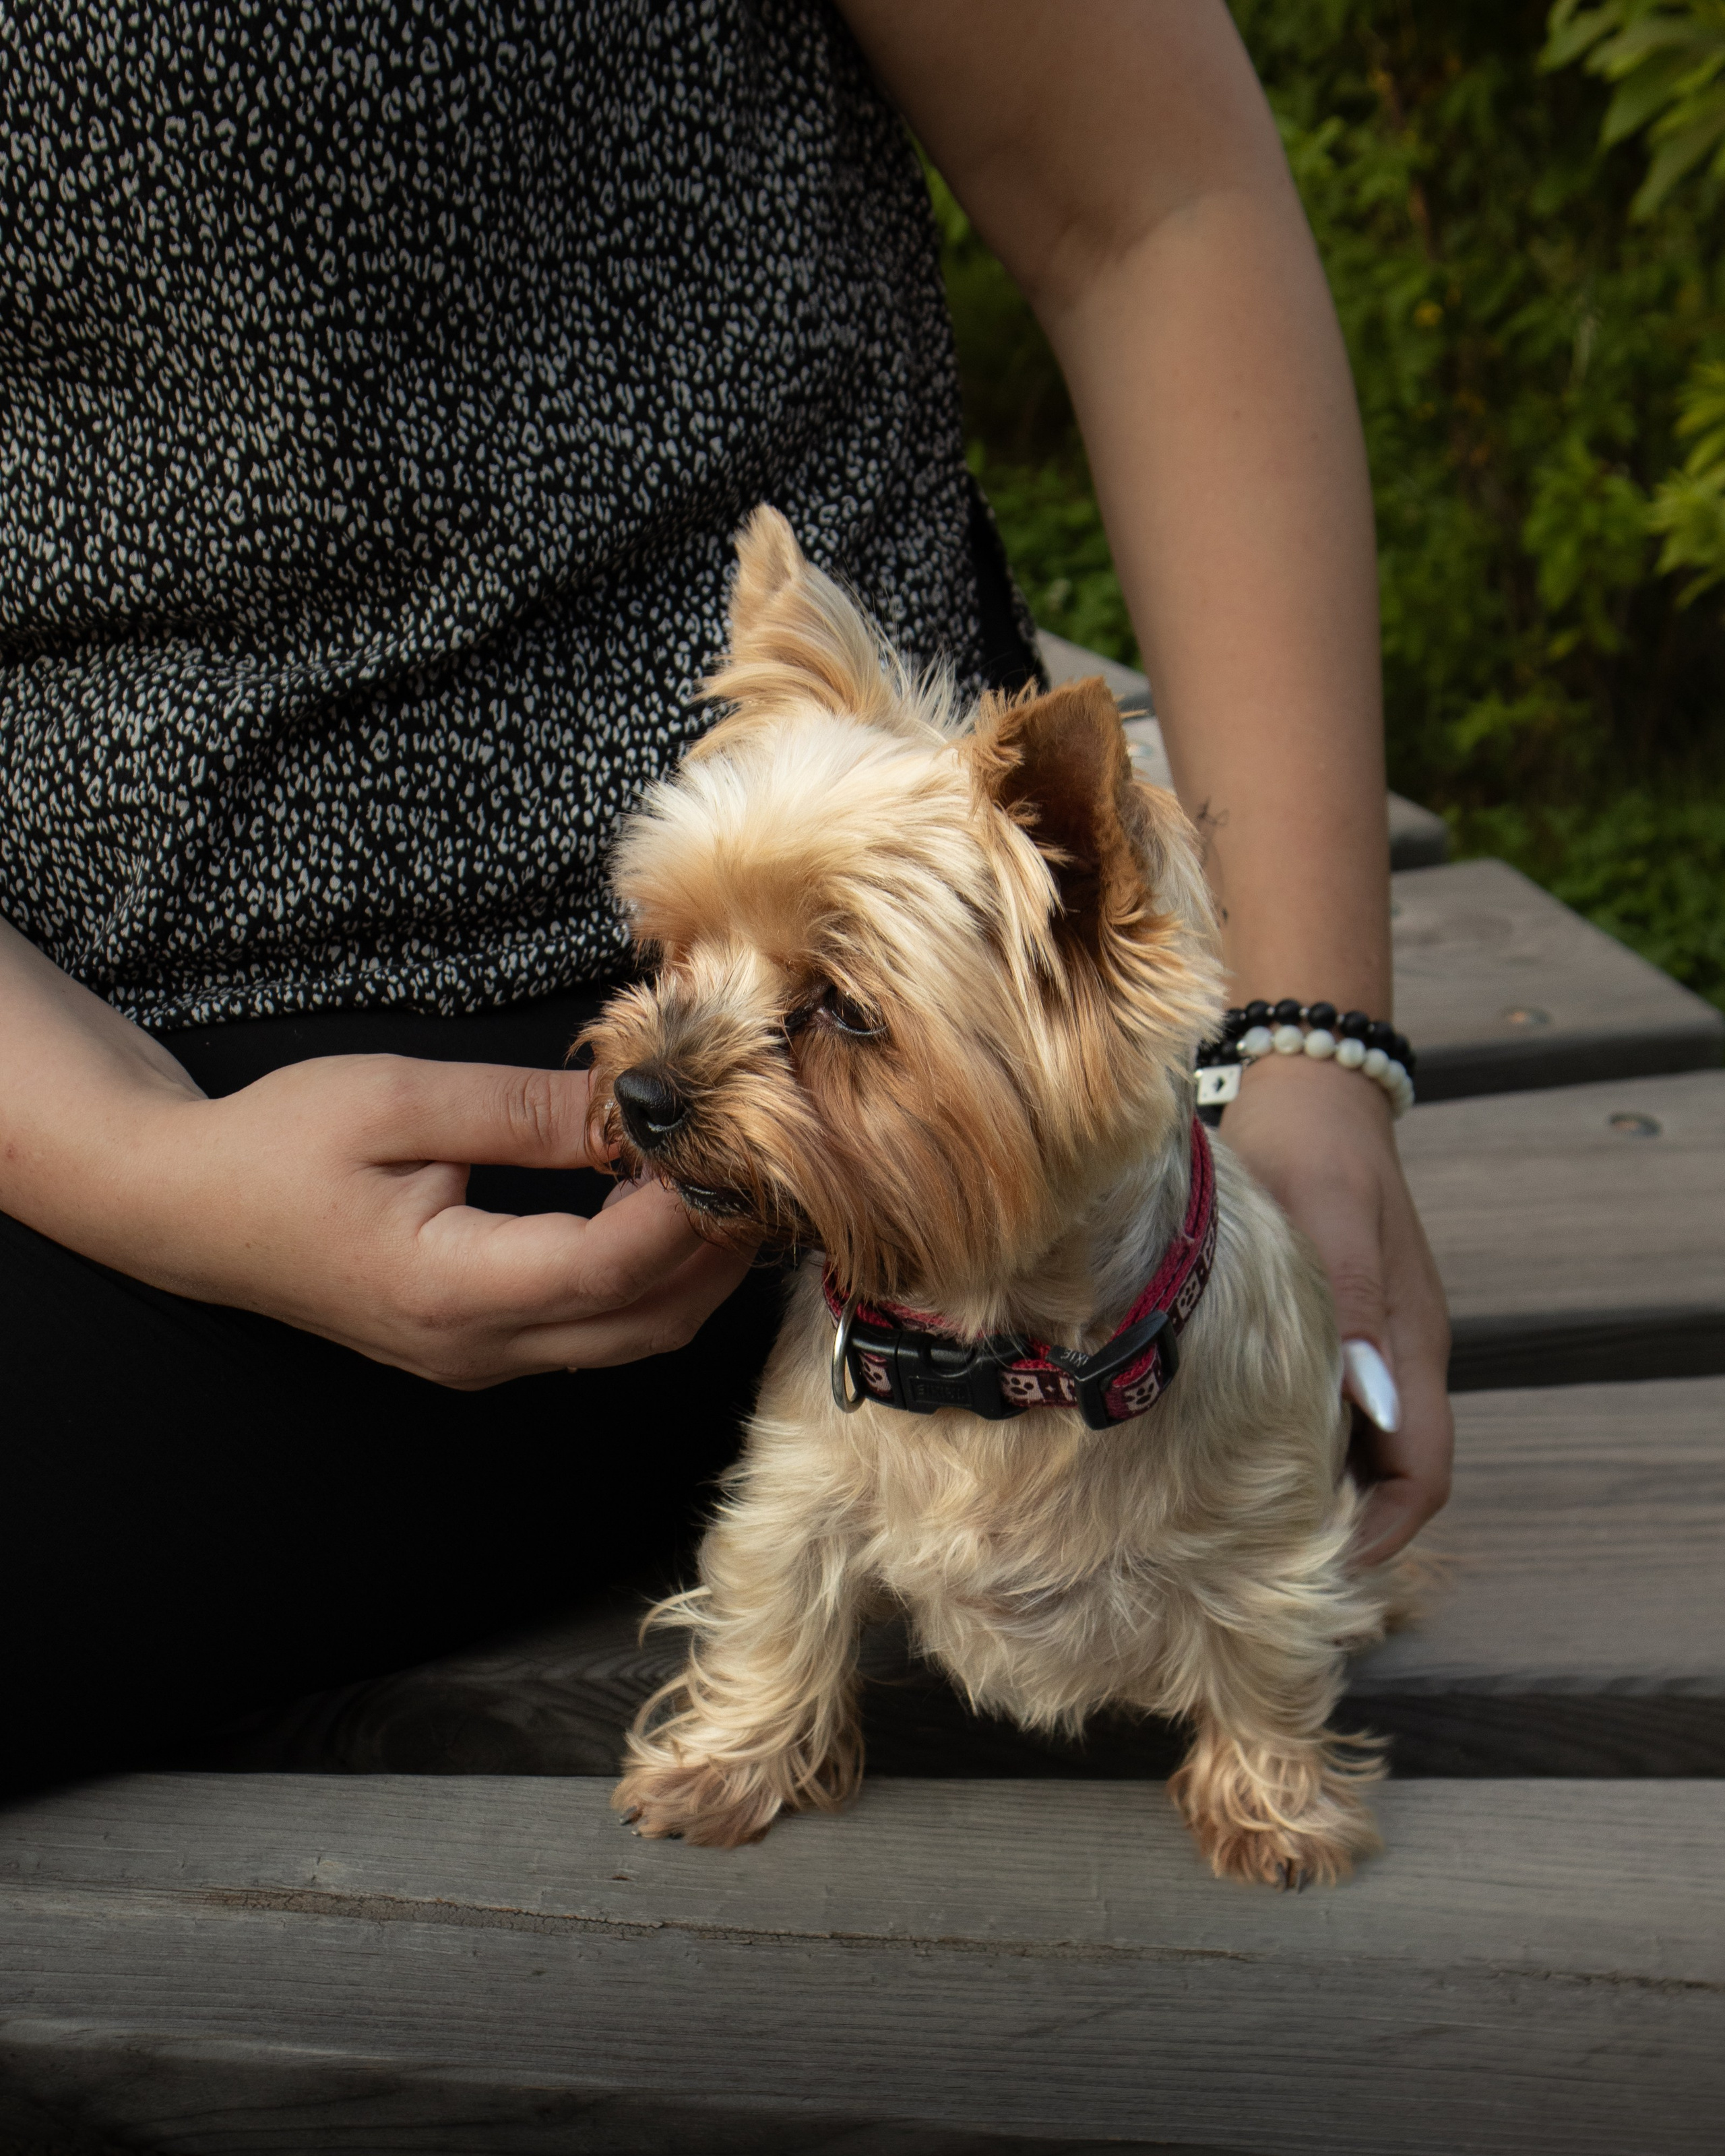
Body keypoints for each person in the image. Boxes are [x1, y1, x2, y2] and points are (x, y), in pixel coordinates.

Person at [0, 0, 1450, 1797]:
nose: (672, 1052)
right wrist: (132, 1157)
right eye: (679, 953)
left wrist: (1308, 1044)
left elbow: (1155, 206)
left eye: (824, 1002)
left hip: (797, 1210)